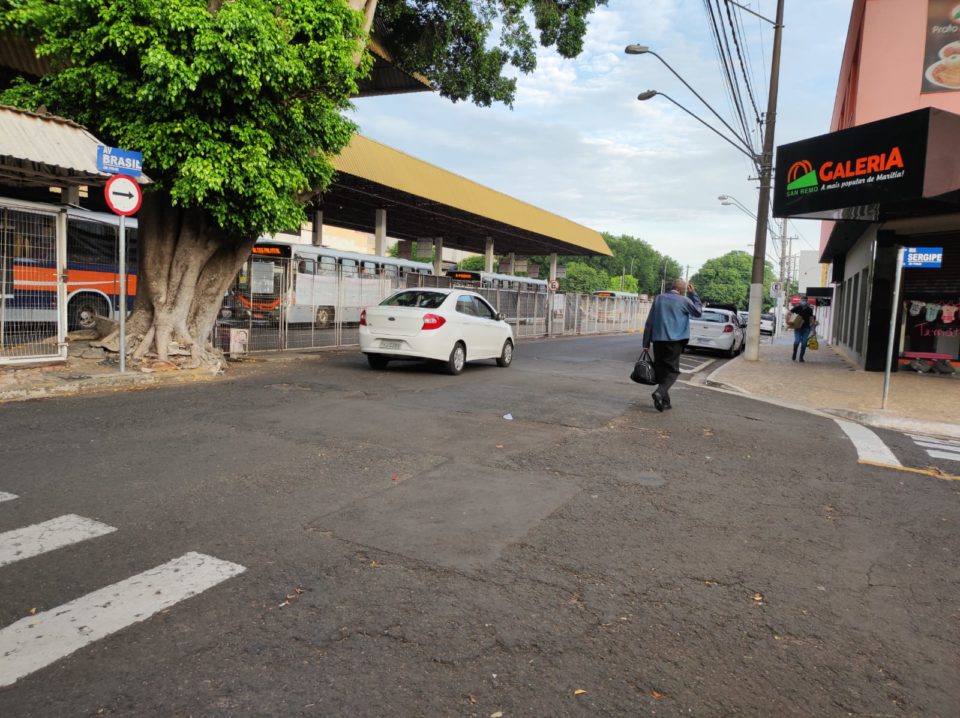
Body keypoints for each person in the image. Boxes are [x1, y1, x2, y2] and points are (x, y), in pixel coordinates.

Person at [642, 278, 703, 412]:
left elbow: (650, 322)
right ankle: (659, 392)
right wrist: (694, 295)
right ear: (682, 290)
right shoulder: (685, 300)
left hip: (658, 340)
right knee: (673, 371)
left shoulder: (659, 298)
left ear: (672, 287)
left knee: (662, 370)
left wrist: (646, 342)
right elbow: (698, 312)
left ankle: (665, 402)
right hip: (674, 341)